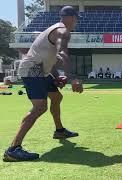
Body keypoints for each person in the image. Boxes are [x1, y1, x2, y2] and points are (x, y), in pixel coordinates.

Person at [3, 6, 83, 162]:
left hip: (41, 70)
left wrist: (54, 76)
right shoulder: (62, 31)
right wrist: (73, 77)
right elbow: (62, 54)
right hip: (32, 70)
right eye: (76, 19)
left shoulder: (55, 29)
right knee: (40, 107)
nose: (77, 22)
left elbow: (51, 58)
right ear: (71, 18)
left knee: (56, 97)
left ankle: (59, 131)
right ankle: (13, 149)